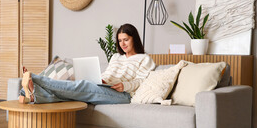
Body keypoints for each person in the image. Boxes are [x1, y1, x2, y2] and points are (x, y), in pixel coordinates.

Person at [19, 23, 155, 104]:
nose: (122, 44)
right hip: (105, 86)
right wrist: (101, 79)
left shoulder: (144, 59)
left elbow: (142, 82)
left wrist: (124, 86)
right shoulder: (115, 57)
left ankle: (35, 79)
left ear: (134, 39)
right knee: (74, 94)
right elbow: (108, 73)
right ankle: (35, 95)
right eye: (120, 41)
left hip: (123, 95)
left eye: (126, 40)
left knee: (82, 86)